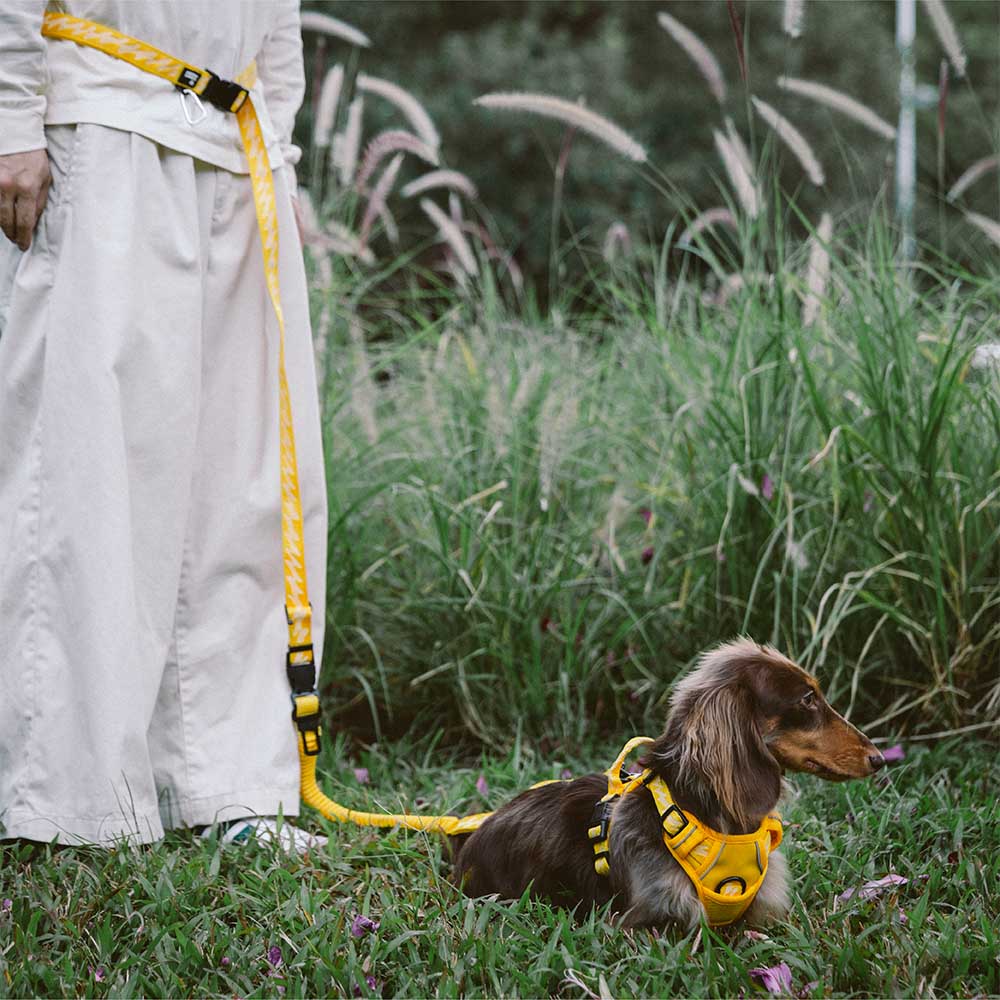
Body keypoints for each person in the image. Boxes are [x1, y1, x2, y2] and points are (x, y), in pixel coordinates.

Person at [0, 2, 328, 849]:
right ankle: (69, 794)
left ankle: (231, 786)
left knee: (239, 489)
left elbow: (278, 17)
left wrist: (282, 162)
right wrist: (10, 118)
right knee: (92, 476)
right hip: (103, 134)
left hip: (233, 147)